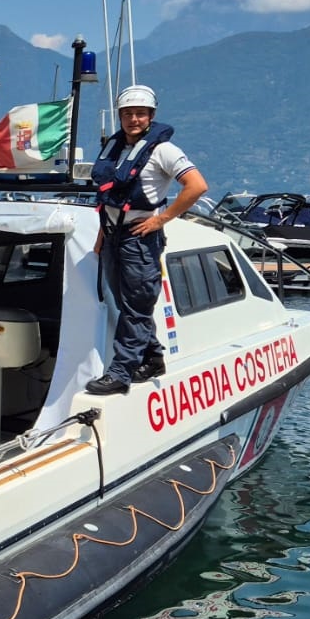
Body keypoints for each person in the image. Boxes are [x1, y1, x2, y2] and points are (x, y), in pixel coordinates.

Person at [85, 85, 208, 395]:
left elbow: (196, 186)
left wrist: (160, 219)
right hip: (114, 235)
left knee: (137, 306)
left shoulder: (164, 150)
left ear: (151, 116)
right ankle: (152, 358)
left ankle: (120, 372)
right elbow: (111, 197)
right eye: (127, 114)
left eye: (140, 114)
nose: (133, 119)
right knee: (125, 302)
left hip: (139, 240)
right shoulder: (115, 149)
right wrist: (103, 235)